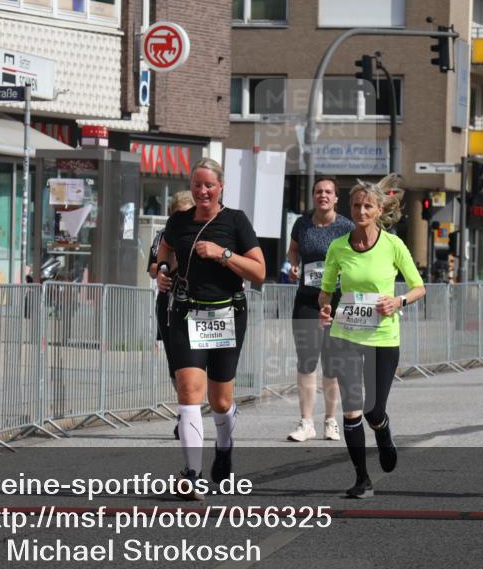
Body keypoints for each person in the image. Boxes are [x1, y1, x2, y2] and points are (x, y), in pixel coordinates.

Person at [155, 158, 266, 499]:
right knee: (189, 391)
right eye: (197, 185)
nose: (202, 191)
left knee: (220, 401)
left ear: (221, 187)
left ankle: (225, 447)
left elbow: (259, 272)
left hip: (226, 315)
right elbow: (165, 253)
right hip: (188, 313)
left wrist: (223, 253)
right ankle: (192, 473)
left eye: (209, 185)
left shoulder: (235, 221)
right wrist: (161, 270)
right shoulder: (178, 221)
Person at [318, 175, 426, 499]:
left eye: (368, 206)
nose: (361, 211)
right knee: (351, 408)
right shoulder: (338, 247)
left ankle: (382, 428)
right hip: (346, 335)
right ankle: (362, 480)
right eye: (356, 205)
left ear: (379, 210)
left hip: (383, 337)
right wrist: (324, 309)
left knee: (372, 410)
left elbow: (419, 286)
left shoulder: (393, 245)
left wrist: (398, 300)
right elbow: (325, 294)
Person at [285, 178, 355, 442]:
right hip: (307, 299)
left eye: (328, 192)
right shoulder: (302, 223)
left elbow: (357, 257)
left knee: (332, 363)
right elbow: (293, 250)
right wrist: (293, 264)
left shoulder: (346, 226)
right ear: (313, 196)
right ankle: (306, 423)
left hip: (337, 300)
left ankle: (330, 421)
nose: (323, 195)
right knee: (306, 360)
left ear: (336, 198)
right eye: (318, 192)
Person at [148, 190, 195, 429]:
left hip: (198, 306)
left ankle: (196, 408)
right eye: (179, 214)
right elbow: (154, 268)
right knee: (175, 364)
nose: (183, 219)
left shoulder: (202, 234)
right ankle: (184, 414)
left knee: (198, 364)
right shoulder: (163, 236)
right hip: (168, 305)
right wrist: (165, 270)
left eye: (188, 213)